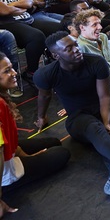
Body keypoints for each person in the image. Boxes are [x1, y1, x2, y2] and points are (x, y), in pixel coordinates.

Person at [35, 32, 110, 196]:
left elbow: (105, 97)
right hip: (78, 118)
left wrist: (107, 121)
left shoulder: (96, 62)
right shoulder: (45, 74)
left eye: (76, 44)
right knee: (95, 128)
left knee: (109, 133)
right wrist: (41, 117)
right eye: (69, 48)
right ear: (56, 55)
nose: (76, 49)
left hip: (103, 109)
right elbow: (44, 96)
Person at [0, 52, 70, 213]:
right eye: (7, 71)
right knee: (61, 154)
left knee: (53, 142)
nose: (15, 73)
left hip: (6, 152)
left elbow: (8, 141)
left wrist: (26, 156)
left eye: (12, 68)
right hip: (3, 168)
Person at [74, 9, 110, 101]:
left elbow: (107, 60)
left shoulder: (103, 37)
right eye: (94, 25)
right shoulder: (80, 47)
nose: (100, 27)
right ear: (82, 28)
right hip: (108, 88)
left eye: (99, 23)